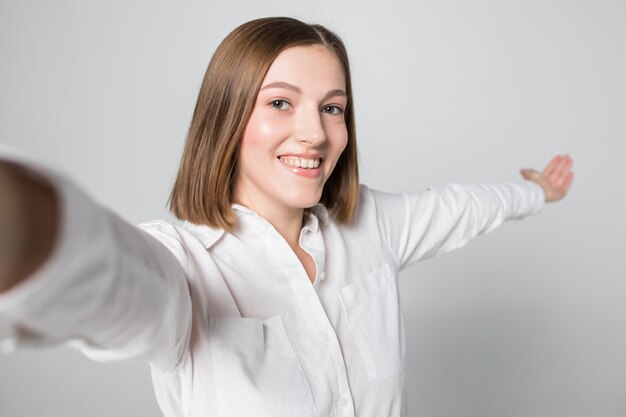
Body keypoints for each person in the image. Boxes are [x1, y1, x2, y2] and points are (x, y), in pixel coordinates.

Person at [0, 16, 573, 417]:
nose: (316, 133)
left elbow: (463, 207)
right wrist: (25, 217)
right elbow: (111, 277)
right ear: (227, 117)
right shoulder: (185, 264)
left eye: (333, 108)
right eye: (280, 102)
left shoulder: (372, 224)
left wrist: (536, 192)